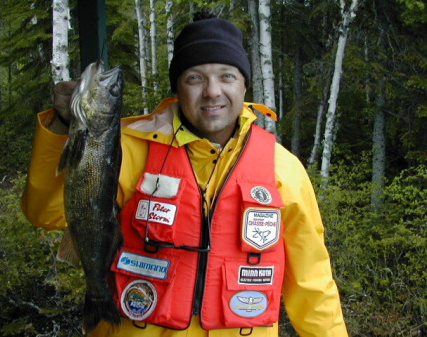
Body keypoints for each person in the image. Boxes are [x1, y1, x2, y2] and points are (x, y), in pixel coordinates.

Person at [22, 10, 349, 337]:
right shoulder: (127, 149)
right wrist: (63, 127)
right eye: (195, 77)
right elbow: (45, 214)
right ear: (177, 86)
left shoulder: (284, 169)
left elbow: (312, 284)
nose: (212, 92)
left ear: (245, 85)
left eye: (227, 76)